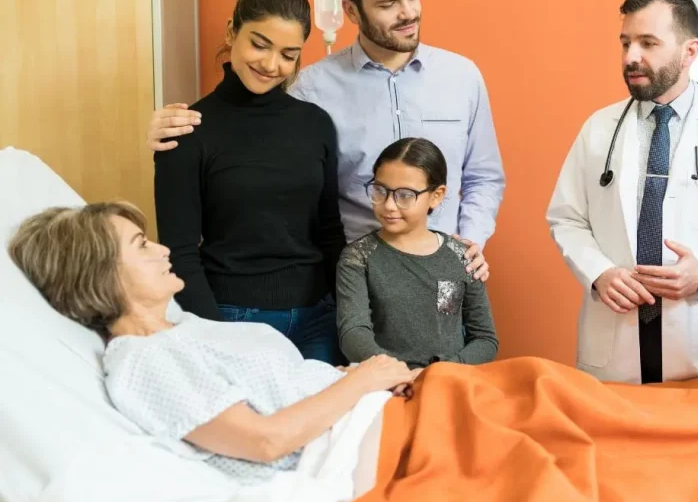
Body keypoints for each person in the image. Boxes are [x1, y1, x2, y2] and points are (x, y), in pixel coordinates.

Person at [145, 0, 504, 281]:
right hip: (353, 283)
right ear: (350, 10)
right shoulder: (312, 90)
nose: (407, 13)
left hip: (445, 275)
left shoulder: (462, 77)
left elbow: (483, 176)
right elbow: (247, 140)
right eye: (387, 4)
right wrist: (168, 131)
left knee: (454, 347)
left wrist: (470, 241)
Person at [7, 202, 420, 484]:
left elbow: (277, 393)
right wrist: (360, 382)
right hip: (350, 448)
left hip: (370, 408)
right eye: (142, 245)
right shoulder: (143, 360)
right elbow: (265, 441)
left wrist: (344, 378)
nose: (164, 249)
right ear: (100, 274)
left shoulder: (181, 331)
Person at [546, 0, 698, 384]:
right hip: (613, 342)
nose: (631, 57)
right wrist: (599, 272)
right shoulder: (598, 128)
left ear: (690, 52)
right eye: (625, 43)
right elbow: (566, 218)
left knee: (694, 442)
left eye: (648, 43)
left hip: (697, 342)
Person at [153, 0, 345, 364]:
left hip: (319, 322)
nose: (272, 65)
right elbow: (180, 252)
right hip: (232, 319)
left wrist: (348, 315)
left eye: (289, 54)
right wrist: (215, 337)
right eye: (260, 44)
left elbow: (329, 233)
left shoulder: (316, 124)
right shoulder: (187, 130)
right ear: (232, 31)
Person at [336, 138, 498, 368]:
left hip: (448, 381)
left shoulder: (461, 257)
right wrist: (397, 373)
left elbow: (485, 339)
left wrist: (440, 372)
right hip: (385, 383)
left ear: (437, 195)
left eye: (405, 195)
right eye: (380, 190)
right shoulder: (358, 258)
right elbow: (353, 334)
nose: (389, 205)